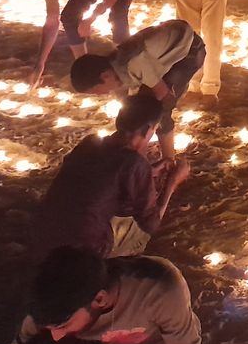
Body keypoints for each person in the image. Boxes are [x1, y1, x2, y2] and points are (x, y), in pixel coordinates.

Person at [36, 93, 190, 259]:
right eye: (154, 129)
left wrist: (149, 172)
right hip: (82, 254)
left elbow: (101, 174)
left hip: (42, 238)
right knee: (139, 232)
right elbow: (151, 223)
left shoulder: (90, 143)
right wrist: (172, 183)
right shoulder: (134, 163)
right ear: (146, 130)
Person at [7, 246, 204, 344]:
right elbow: (21, 341)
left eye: (64, 325)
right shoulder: (53, 302)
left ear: (99, 299)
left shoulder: (159, 289)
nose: (56, 335)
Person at [69, 19, 206, 162]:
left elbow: (163, 95)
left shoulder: (133, 64)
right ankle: (138, 156)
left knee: (159, 111)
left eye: (96, 90)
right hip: (164, 49)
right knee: (140, 109)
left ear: (105, 76)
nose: (100, 95)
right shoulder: (116, 68)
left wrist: (155, 114)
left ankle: (168, 160)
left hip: (189, 50)